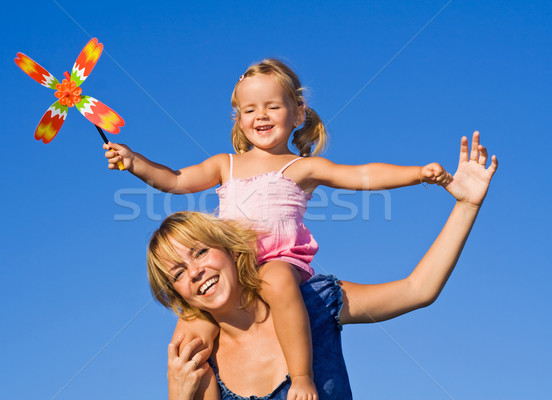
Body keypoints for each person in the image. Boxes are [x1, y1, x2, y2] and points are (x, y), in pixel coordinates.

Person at [105, 59, 451, 398]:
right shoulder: (224, 164)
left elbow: (361, 175)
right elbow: (176, 180)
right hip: (234, 266)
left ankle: (300, 377)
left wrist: (418, 173)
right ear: (238, 120)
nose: (261, 116)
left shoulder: (301, 167)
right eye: (250, 110)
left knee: (276, 279)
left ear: (298, 113)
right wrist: (135, 162)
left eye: (272, 106)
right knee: (188, 336)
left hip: (279, 261)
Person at [147, 132, 498, 400]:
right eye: (177, 273)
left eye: (199, 252)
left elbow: (417, 290)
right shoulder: (199, 361)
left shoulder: (315, 301)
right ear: (176, 292)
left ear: (228, 247)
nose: (194, 272)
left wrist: (466, 205)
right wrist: (180, 393)